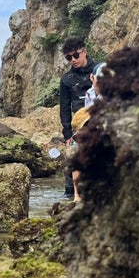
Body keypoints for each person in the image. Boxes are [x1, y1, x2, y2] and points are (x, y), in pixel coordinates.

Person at [59, 37, 99, 198]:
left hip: (98, 122)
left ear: (85, 51)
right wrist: (67, 133)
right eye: (69, 58)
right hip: (77, 126)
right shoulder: (66, 79)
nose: (73, 60)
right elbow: (64, 108)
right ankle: (71, 199)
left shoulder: (99, 70)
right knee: (73, 164)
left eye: (76, 55)